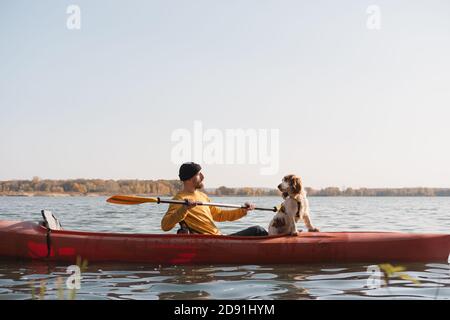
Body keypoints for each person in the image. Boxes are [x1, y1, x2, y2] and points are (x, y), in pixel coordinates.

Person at [161, 162, 269, 236]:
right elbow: (165, 226)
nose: (202, 177)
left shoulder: (202, 196)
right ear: (189, 178)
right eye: (199, 174)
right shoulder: (179, 199)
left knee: (259, 231)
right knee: (258, 230)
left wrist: (243, 211)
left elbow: (220, 215)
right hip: (210, 242)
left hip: (220, 237)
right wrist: (184, 208)